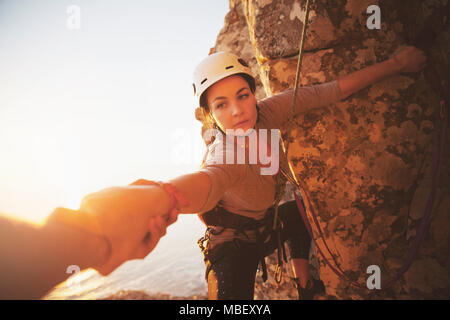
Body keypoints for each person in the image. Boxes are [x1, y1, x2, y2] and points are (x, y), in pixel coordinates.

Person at [0, 46, 426, 300]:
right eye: (221, 105)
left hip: (269, 222)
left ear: (253, 94)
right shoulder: (225, 156)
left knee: (300, 212)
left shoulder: (269, 112)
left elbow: (332, 91)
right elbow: (205, 183)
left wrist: (396, 63)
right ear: (208, 114)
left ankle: (304, 286)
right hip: (233, 245)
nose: (238, 109)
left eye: (242, 95)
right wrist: (155, 198)